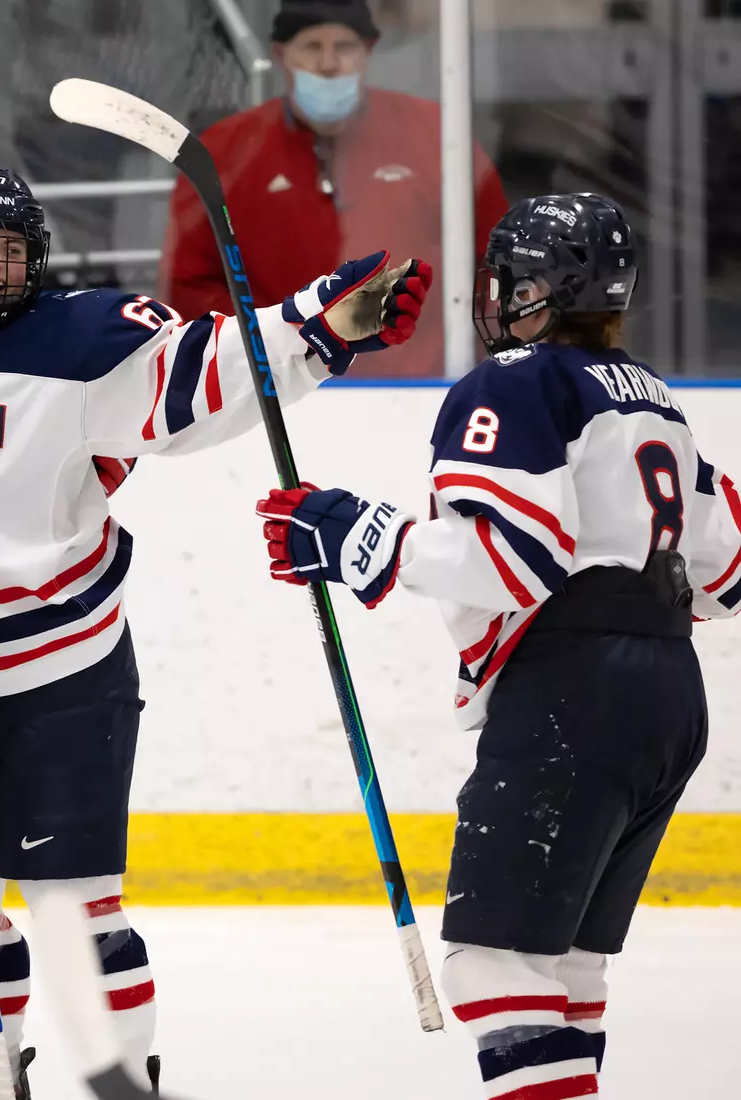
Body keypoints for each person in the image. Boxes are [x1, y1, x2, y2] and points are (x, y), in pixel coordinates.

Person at [0, 163, 431, 1098]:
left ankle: (124, 1086)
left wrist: (316, 327)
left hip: (64, 671)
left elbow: (203, 368)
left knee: (73, 908)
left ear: (39, 260)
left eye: (9, 250)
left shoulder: (80, 340)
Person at [256, 193, 741, 1100]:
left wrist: (359, 535)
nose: (497, 298)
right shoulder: (656, 398)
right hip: (668, 693)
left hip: (574, 692)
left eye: (510, 281)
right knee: (565, 971)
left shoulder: (515, 383)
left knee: (492, 969)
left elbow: (510, 558)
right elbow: (728, 576)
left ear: (540, 291)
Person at [157, 0, 505, 377]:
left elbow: (493, 258)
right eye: (311, 46)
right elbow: (191, 283)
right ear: (281, 54)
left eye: (344, 46)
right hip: (277, 388)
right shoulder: (228, 151)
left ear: (367, 50)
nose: (327, 64)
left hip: (422, 386)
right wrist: (268, 353)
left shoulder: (437, 136)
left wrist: (479, 359)